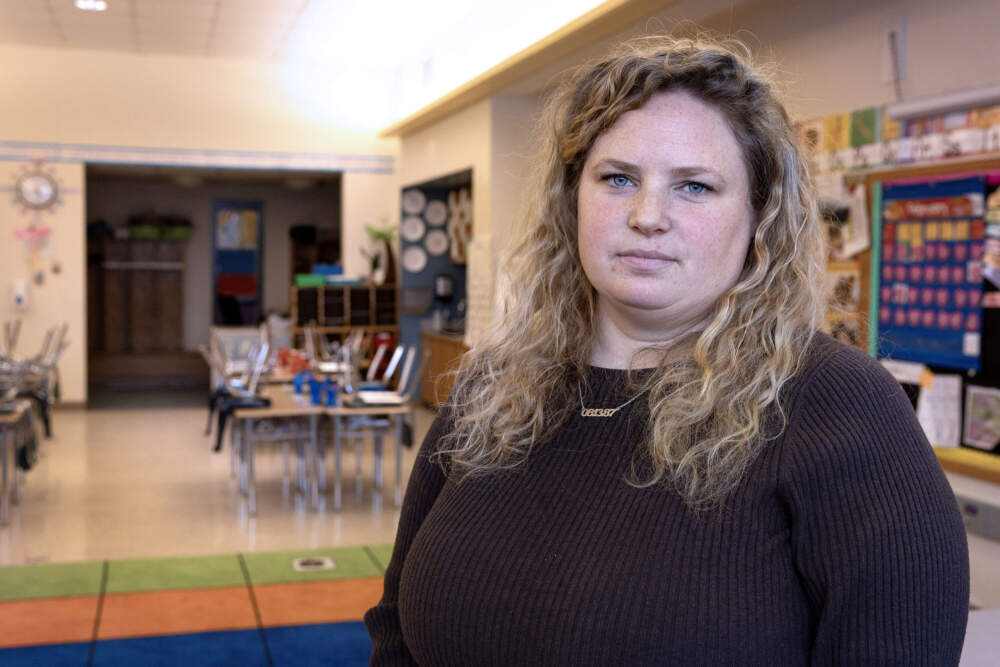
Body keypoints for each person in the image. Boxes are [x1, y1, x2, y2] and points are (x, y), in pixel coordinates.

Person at [365, 35, 969, 665]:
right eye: (618, 178)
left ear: (759, 214)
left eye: (695, 187)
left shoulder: (836, 404)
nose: (648, 215)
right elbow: (396, 627)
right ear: (573, 200)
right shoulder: (493, 386)